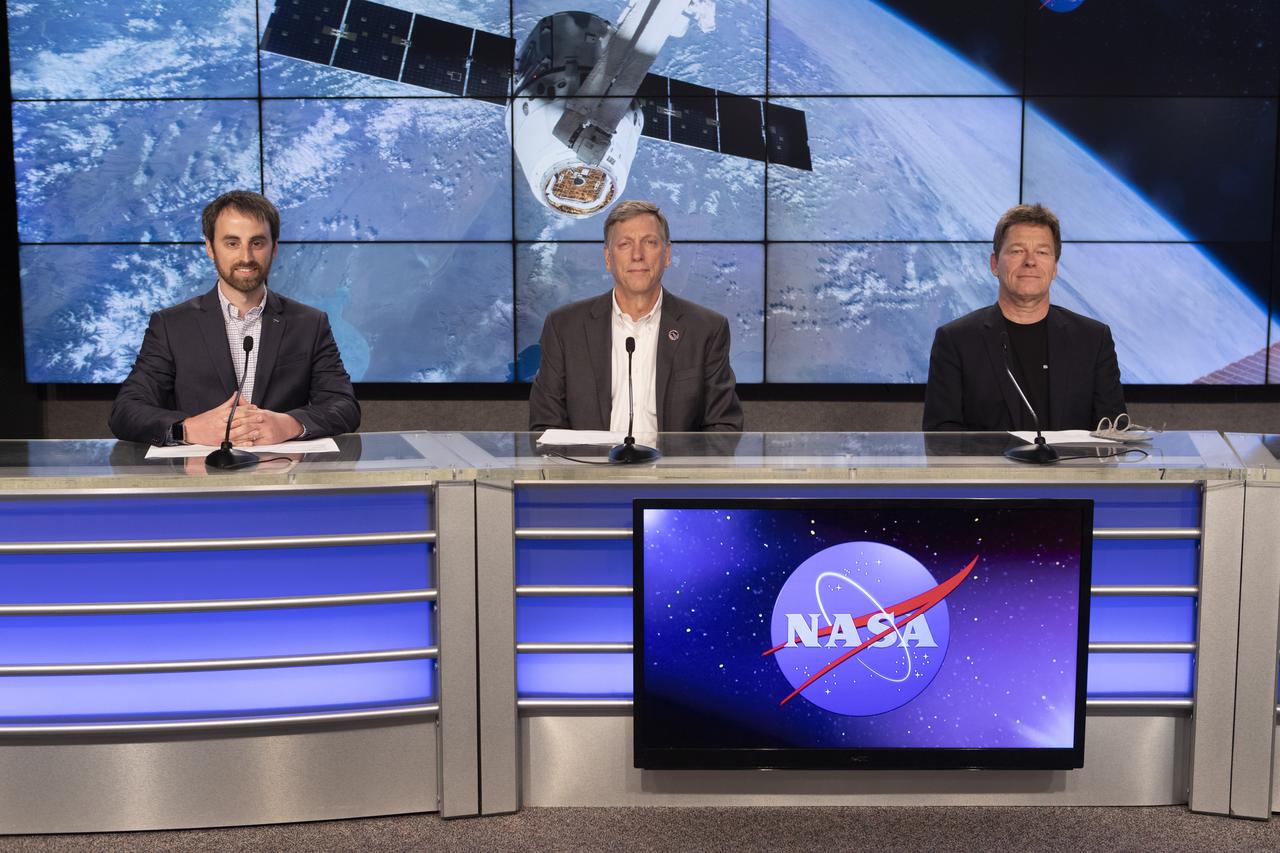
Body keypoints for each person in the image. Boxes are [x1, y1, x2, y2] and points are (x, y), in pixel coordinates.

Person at [109, 190, 360, 446]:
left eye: (257, 243)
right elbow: (126, 412)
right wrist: (187, 429)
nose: (246, 257)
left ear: (274, 248)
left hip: (282, 474)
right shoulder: (171, 326)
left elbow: (344, 406)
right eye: (232, 243)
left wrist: (289, 424)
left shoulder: (309, 323)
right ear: (210, 248)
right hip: (201, 478)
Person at [528, 200, 743, 433]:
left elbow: (723, 428)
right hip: (591, 468)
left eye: (650, 243)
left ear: (667, 254)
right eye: (624, 244)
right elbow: (545, 426)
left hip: (673, 469)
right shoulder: (564, 328)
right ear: (608, 258)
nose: (637, 255)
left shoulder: (706, 329)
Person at [922, 203, 1124, 432]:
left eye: (1042, 252)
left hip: (1073, 468)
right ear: (994, 264)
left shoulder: (1093, 339)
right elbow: (940, 438)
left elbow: (1114, 433)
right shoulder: (956, 340)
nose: (1030, 261)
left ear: (1054, 267)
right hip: (990, 469)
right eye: (1017, 251)